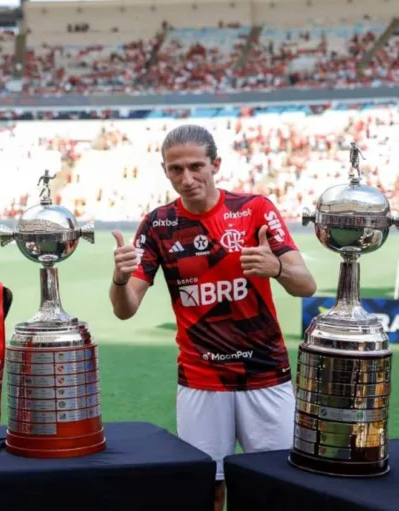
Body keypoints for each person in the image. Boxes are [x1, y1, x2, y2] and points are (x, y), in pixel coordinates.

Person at [108, 124, 316, 511]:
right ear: (165, 171)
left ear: (215, 164)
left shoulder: (255, 209)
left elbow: (306, 285)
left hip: (265, 375)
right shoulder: (158, 225)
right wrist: (119, 280)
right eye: (176, 170)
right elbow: (125, 309)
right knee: (207, 488)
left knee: (279, 485)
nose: (187, 179)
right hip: (202, 380)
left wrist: (276, 268)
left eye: (196, 166)